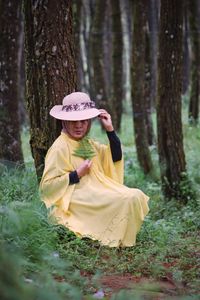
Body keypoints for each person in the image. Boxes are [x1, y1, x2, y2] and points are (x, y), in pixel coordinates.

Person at [40, 92, 149, 247]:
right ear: (65, 121)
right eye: (74, 121)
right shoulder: (59, 147)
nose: (79, 125)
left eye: (83, 121)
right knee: (127, 198)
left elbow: (114, 157)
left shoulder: (87, 143)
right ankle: (110, 239)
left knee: (134, 195)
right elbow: (47, 187)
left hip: (95, 191)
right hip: (76, 199)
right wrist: (76, 174)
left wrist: (110, 130)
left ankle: (119, 239)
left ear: (89, 122)